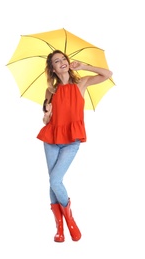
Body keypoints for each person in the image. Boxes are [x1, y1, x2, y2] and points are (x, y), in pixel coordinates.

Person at [37, 50, 113, 242]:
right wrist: (47, 113)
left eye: (63, 59)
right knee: (53, 182)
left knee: (55, 180)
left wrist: (84, 66)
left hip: (71, 141)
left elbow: (108, 74)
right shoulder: (50, 91)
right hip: (51, 139)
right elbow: (46, 120)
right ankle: (60, 227)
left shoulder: (81, 83)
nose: (62, 62)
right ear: (52, 69)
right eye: (56, 61)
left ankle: (70, 220)